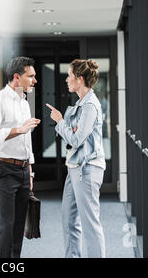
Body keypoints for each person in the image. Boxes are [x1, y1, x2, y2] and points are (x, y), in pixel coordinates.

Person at [46, 59, 106, 258]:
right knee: (69, 220)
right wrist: (67, 126)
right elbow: (73, 135)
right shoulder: (81, 103)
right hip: (74, 169)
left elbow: (77, 139)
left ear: (80, 79)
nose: (66, 80)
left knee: (90, 223)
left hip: (87, 170)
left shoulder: (90, 106)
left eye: (69, 76)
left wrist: (60, 121)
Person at [0, 56, 40, 258]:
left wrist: (30, 172)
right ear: (17, 77)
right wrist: (19, 129)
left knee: (18, 227)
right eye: (30, 76)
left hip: (23, 171)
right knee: (5, 225)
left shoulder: (24, 103)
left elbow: (27, 141)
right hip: (3, 170)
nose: (35, 80)